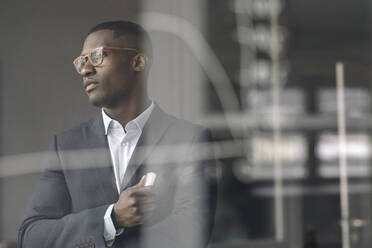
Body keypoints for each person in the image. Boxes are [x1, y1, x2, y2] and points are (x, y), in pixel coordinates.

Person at [18, 21, 216, 248]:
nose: (85, 70)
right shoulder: (66, 146)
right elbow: (32, 236)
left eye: (97, 57)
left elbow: (192, 232)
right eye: (82, 61)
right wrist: (111, 218)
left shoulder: (189, 139)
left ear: (138, 62)